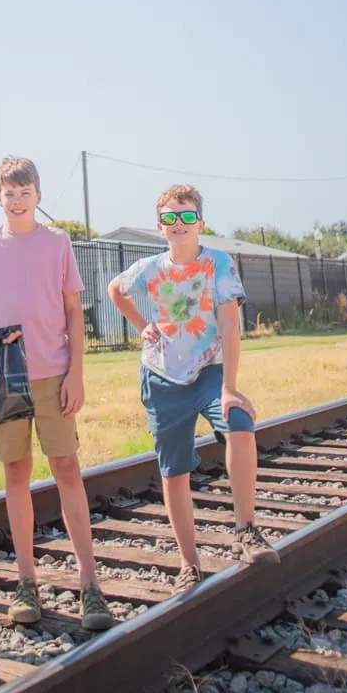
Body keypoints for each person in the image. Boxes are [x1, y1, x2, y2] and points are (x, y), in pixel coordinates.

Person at [107, 184, 278, 598]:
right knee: (174, 469)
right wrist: (140, 325)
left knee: (239, 425)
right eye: (169, 217)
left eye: (186, 216)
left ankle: (246, 531)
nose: (178, 224)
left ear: (200, 222)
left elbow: (229, 326)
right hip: (163, 377)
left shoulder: (218, 264)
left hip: (209, 373)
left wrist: (231, 388)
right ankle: (189, 563)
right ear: (160, 225)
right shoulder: (150, 267)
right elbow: (116, 290)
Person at [0, 157, 114, 632]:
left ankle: (90, 584)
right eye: (8, 193)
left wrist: (78, 373)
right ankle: (26, 580)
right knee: (17, 472)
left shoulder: (57, 244)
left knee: (66, 469)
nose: (16, 200)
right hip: (6, 373)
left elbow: (74, 309)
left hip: (53, 373)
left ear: (38, 195)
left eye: (24, 192)